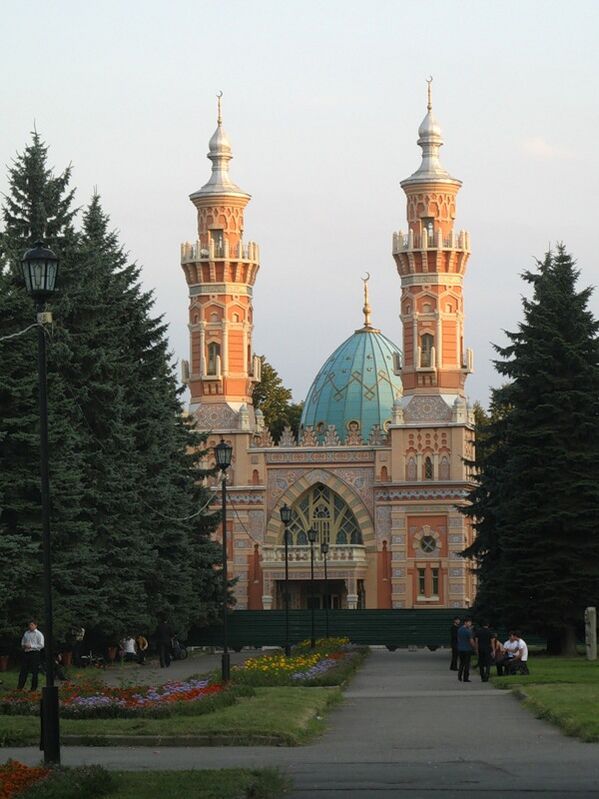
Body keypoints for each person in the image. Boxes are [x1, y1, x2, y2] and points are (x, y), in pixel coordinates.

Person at [17, 620, 44, 691]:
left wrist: (31, 646)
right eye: (29, 625)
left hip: (35, 653)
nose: (30, 626)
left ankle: (33, 689)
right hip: (26, 653)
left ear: (35, 625)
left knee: (34, 671)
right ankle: (19, 687)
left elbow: (41, 645)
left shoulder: (39, 634)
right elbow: (23, 641)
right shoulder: (26, 633)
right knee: (23, 670)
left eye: (32, 625)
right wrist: (23, 645)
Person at [456, 617, 476, 682]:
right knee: (467, 664)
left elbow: (458, 639)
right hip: (467, 649)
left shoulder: (459, 630)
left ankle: (459, 676)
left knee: (461, 663)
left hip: (460, 649)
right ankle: (465, 678)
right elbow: (471, 641)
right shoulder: (468, 631)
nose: (470, 624)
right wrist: (474, 647)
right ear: (465, 622)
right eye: (469, 622)